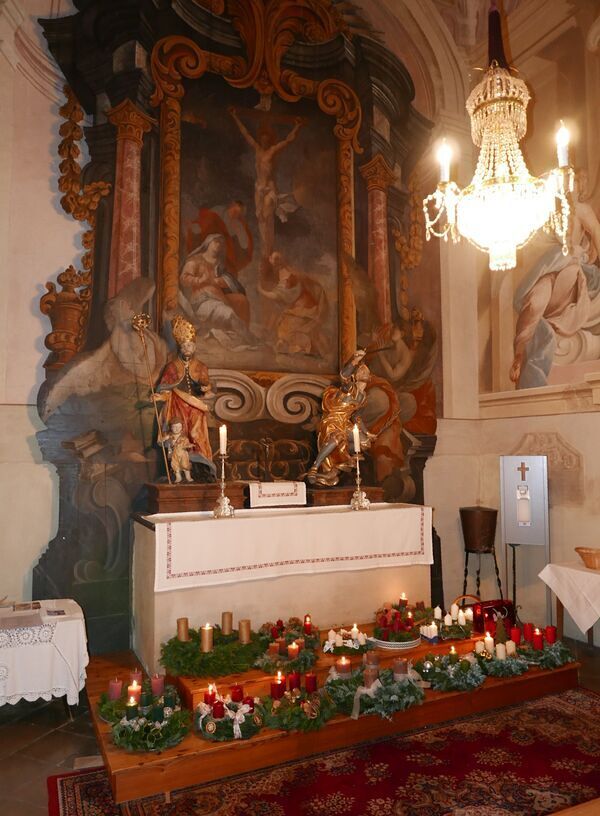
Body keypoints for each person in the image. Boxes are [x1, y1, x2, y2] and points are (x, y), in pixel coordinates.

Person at [510, 172, 600, 388]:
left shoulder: (581, 210)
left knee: (564, 273)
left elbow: (597, 234)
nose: (569, 187)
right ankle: (520, 355)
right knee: (535, 301)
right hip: (550, 267)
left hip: (571, 267)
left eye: (573, 182)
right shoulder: (550, 213)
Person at [229, 107, 303, 264]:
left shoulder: (273, 150)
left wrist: (297, 126)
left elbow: (288, 140)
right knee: (261, 218)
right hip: (259, 187)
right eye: (262, 139)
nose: (264, 141)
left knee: (267, 214)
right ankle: (265, 251)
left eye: (266, 139)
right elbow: (245, 133)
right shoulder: (257, 149)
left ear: (269, 140)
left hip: (269, 189)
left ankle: (268, 249)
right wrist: (235, 117)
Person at [153, 316, 215, 477]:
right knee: (178, 435)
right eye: (184, 345)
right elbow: (165, 387)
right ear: (180, 348)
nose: (187, 348)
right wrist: (160, 397)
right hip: (177, 404)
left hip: (195, 406)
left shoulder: (201, 366)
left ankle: (201, 468)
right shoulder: (172, 366)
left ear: (194, 347)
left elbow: (206, 385)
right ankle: (178, 470)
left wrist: (206, 387)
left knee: (196, 435)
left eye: (190, 345)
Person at [306, 350, 375, 486]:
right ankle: (314, 467)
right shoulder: (349, 388)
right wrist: (354, 361)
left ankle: (337, 464)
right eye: (361, 371)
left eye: (366, 372)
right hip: (332, 420)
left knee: (365, 443)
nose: (364, 373)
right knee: (337, 437)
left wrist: (367, 433)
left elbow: (356, 417)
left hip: (345, 422)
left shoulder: (363, 397)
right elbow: (344, 376)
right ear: (355, 376)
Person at [180, 232, 255, 342]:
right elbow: (184, 278)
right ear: (208, 243)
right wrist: (199, 280)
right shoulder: (196, 260)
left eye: (221, 243)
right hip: (204, 299)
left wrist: (223, 281)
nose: (218, 245)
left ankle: (243, 333)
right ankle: (246, 337)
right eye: (216, 242)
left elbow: (229, 279)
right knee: (229, 314)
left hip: (220, 297)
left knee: (242, 300)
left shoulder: (219, 264)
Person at [258, 251, 328, 356]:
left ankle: (306, 347)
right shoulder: (280, 273)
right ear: (270, 259)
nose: (276, 261)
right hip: (296, 308)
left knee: (288, 329)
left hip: (305, 309)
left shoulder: (288, 274)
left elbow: (282, 294)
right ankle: (286, 344)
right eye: (274, 258)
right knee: (282, 325)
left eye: (278, 259)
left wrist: (261, 290)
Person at [162, 417, 194, 483]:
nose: (177, 429)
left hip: (183, 454)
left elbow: (187, 444)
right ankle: (178, 477)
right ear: (171, 428)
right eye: (174, 427)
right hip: (174, 453)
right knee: (175, 465)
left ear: (182, 427)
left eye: (179, 427)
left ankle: (188, 477)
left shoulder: (184, 437)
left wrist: (188, 446)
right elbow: (163, 441)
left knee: (185, 465)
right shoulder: (170, 436)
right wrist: (164, 439)